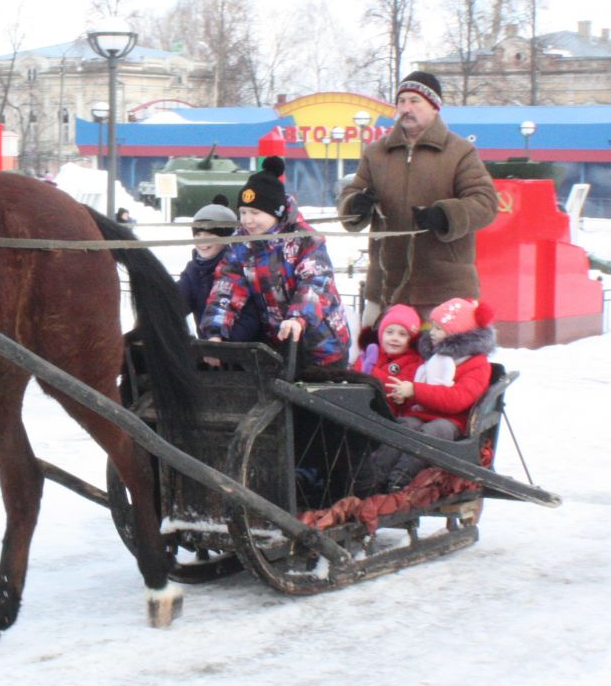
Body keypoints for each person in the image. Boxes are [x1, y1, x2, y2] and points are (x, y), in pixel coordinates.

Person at [337, 71, 500, 322]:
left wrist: (446, 215)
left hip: (445, 293)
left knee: (444, 362)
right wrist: (355, 205)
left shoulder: (460, 152)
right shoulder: (376, 152)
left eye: (415, 101)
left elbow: (485, 202)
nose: (406, 108)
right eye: (401, 101)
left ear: (435, 107)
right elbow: (351, 196)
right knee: (374, 360)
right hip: (385, 289)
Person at [201, 155, 352, 367]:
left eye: (255, 212)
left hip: (322, 345)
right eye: (243, 212)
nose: (247, 220)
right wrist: (215, 334)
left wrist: (297, 317)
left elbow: (315, 284)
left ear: (277, 212)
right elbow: (226, 289)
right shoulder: (241, 245)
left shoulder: (305, 239)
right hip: (280, 344)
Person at [352, 297, 498, 495]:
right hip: (420, 413)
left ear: (457, 332)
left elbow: (456, 399)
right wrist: (404, 396)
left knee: (433, 432)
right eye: (433, 327)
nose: (432, 333)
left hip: (451, 421)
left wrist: (415, 390)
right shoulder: (432, 355)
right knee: (403, 427)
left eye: (438, 328)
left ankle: (399, 480)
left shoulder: (477, 364)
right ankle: (374, 478)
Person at [175, 197, 262, 342]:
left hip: (243, 352)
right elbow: (176, 301)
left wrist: (223, 343)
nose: (202, 241)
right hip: (209, 350)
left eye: (210, 235)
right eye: (198, 235)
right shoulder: (194, 271)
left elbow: (251, 317)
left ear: (228, 238)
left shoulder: (241, 268)